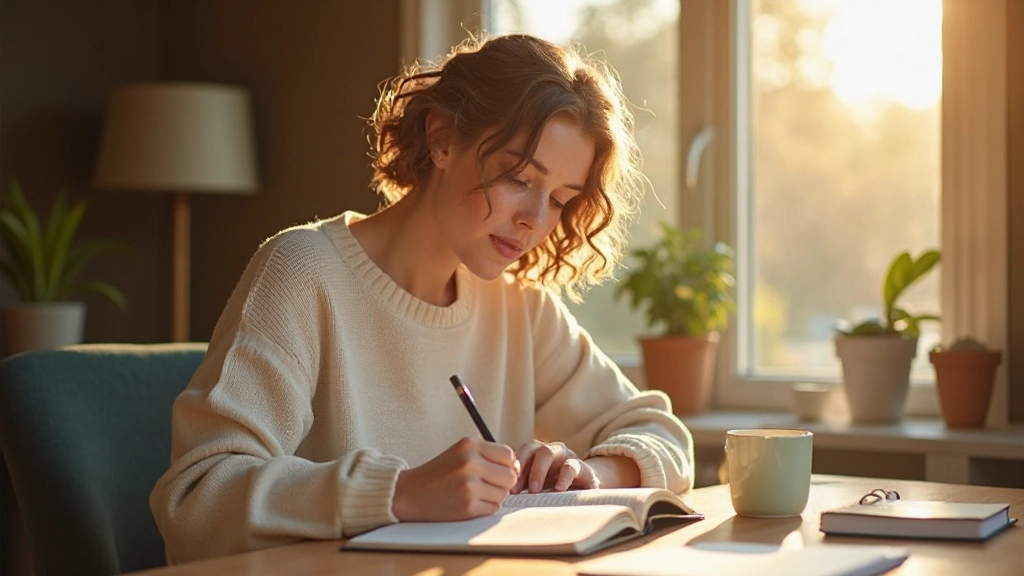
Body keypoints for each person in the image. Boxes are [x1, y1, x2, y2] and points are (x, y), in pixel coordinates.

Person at [150, 32, 694, 564]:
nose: (536, 220)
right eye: (518, 176)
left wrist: (589, 474)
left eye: (560, 199)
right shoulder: (303, 273)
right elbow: (196, 499)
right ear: (441, 139)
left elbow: (663, 435)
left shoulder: (518, 304)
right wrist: (400, 492)